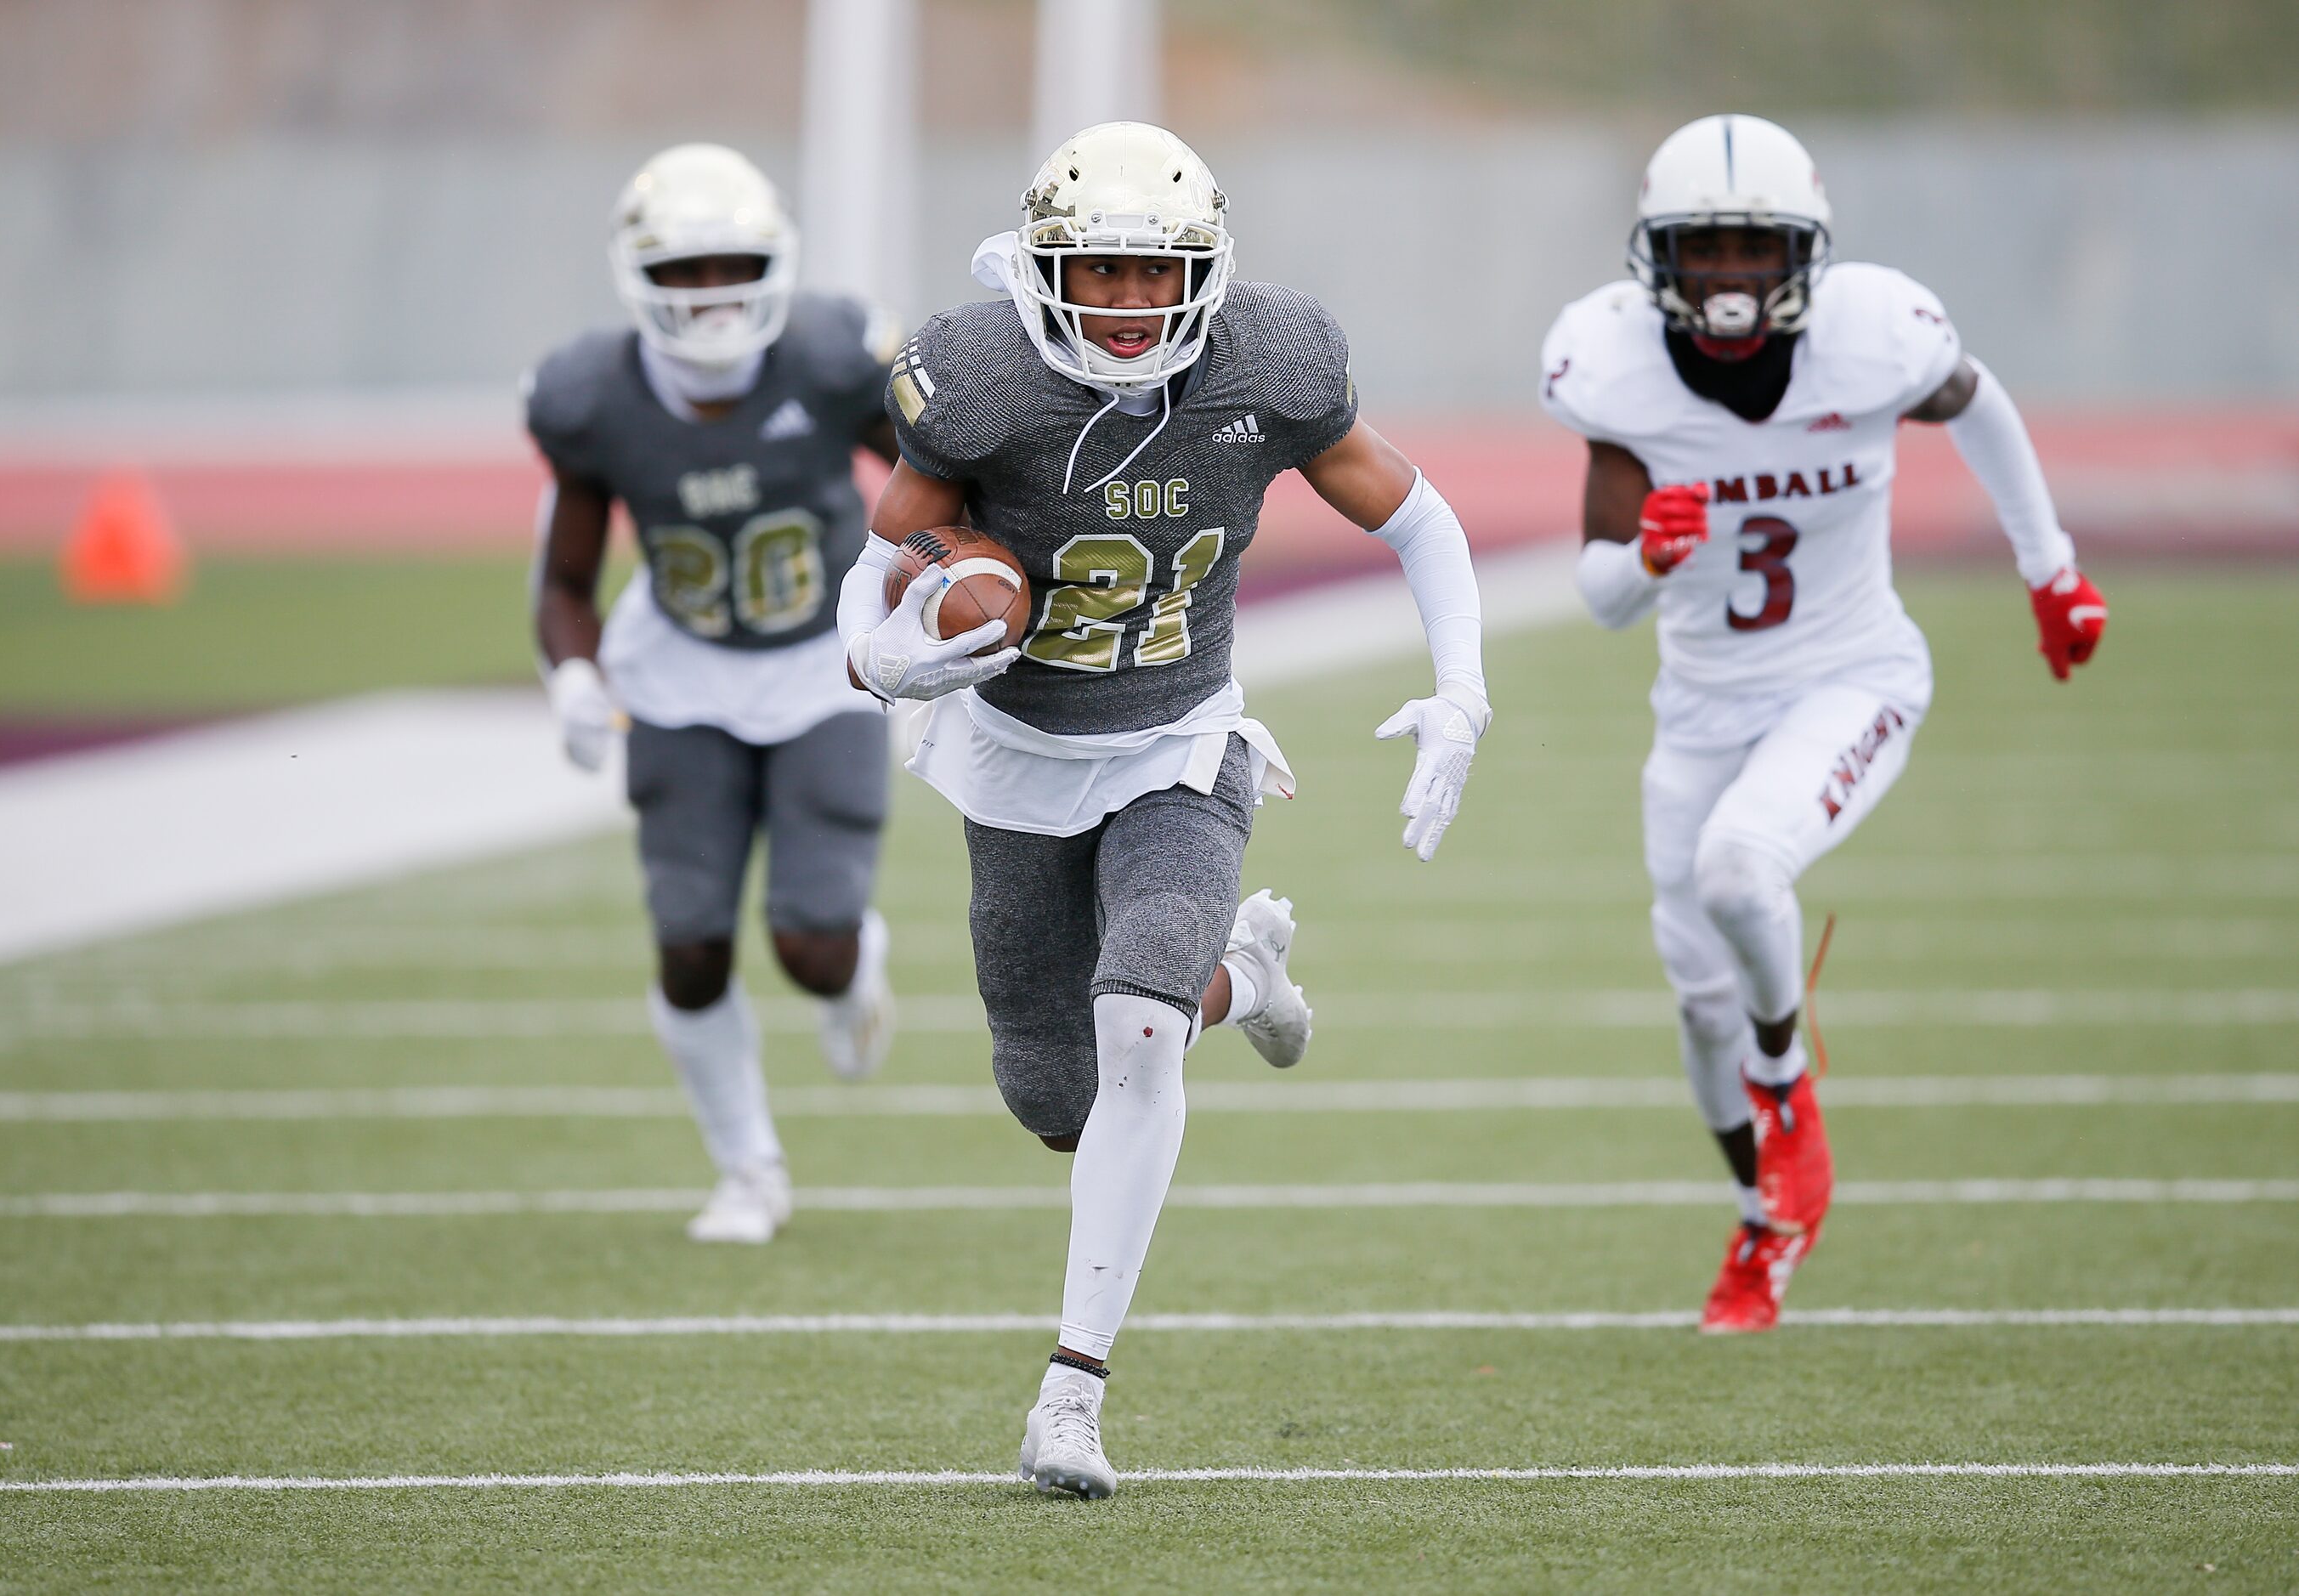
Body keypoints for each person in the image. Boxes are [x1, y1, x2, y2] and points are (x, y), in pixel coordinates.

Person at [840, 122, 1492, 1497]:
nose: (1131, 305)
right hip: (1016, 755)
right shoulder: (981, 381)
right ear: (1043, 270)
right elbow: (886, 551)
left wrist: (1462, 688)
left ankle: (1071, 1393)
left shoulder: (1271, 364)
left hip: (1180, 746)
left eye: (1156, 272)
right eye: (1103, 272)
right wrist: (886, 653)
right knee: (1058, 1093)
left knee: (1134, 1019)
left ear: (1203, 270)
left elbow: (1420, 516)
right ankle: (1243, 976)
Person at [1539, 114, 2109, 1332]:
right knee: (1699, 1000)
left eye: (1757, 248)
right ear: (1660, 260)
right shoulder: (1615, 363)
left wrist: (2049, 569)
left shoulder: (1874, 335)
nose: (1732, 276)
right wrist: (1647, 558)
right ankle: (1768, 1217)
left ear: (1805, 256)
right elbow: (1597, 593)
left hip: (1852, 675)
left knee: (1742, 874)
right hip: (1699, 708)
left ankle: (1789, 1095)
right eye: (1706, 249)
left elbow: (1979, 401)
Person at [526, 144, 904, 1246]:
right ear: (639, 275)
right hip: (681, 667)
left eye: (729, 263)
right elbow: (563, 574)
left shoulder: (833, 358)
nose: (711, 292)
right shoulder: (591, 397)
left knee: (811, 940)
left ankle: (853, 970)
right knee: (690, 936)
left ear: (775, 260)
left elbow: (935, 487)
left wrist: (939, 597)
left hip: (822, 655)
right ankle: (749, 1166)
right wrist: (574, 674)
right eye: (684, 270)